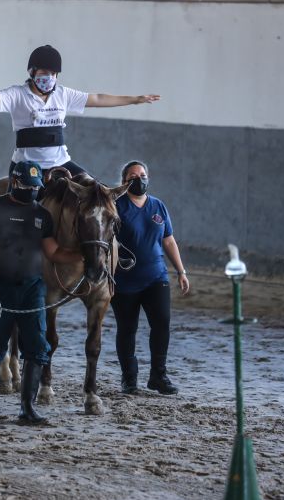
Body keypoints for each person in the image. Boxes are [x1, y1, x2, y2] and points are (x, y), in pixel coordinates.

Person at [0, 45, 160, 180]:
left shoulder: (63, 94)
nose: (49, 77)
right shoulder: (17, 94)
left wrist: (135, 100)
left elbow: (98, 99)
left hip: (61, 162)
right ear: (33, 73)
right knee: (17, 208)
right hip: (26, 165)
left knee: (96, 191)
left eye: (53, 73)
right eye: (45, 72)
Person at [0, 160, 81, 423]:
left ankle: (27, 408)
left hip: (32, 288)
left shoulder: (42, 215)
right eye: (28, 186)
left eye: (35, 187)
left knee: (37, 347)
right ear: (14, 181)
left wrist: (81, 256)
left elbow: (53, 251)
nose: (32, 191)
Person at [110, 160, 189, 396]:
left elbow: (168, 240)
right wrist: (108, 276)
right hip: (124, 280)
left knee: (161, 324)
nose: (139, 180)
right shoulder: (116, 207)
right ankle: (129, 378)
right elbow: (107, 243)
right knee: (127, 329)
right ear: (124, 182)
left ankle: (158, 376)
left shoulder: (158, 206)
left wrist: (181, 271)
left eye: (142, 175)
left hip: (156, 277)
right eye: (133, 177)